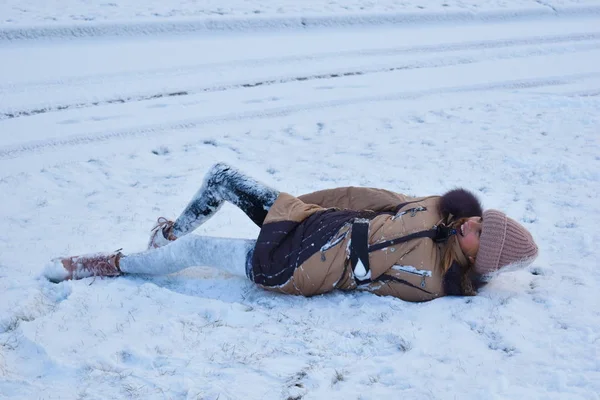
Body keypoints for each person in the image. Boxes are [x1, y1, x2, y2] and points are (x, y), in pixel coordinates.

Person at [44, 163, 539, 302]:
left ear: (481, 259)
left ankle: (109, 264)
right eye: (481, 218)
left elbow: (362, 276)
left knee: (200, 252)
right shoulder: (435, 207)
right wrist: (300, 203)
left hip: (303, 266)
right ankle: (166, 237)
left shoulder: (431, 280)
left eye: (482, 233)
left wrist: (354, 245)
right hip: (312, 222)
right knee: (223, 179)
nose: (474, 222)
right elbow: (365, 197)